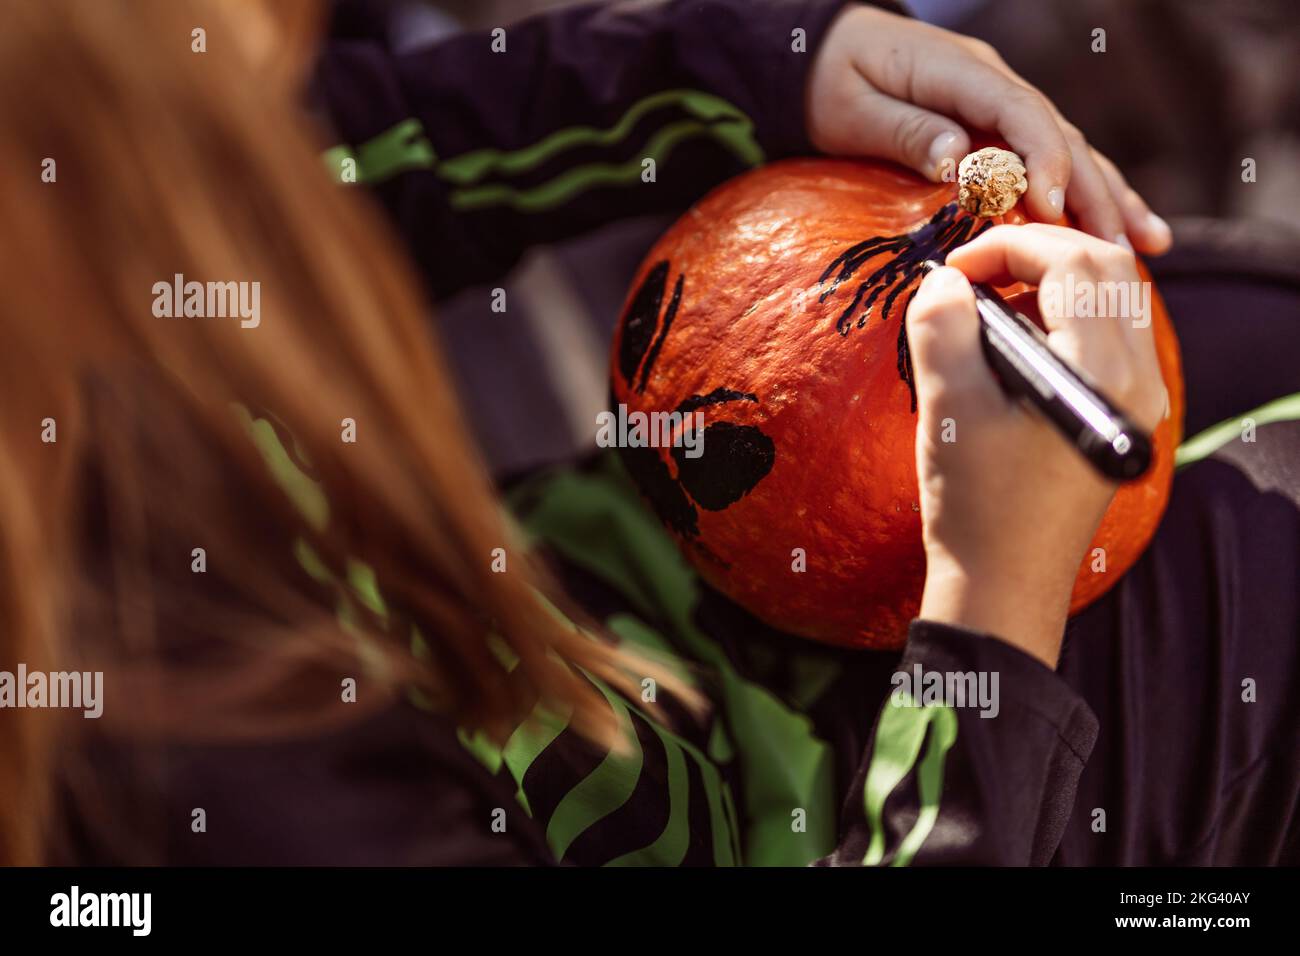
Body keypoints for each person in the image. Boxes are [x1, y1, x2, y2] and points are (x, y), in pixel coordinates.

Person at [0, 0, 1293, 868]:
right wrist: (992, 637)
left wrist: (755, 69)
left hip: (637, 613)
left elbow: (358, 149)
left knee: (1253, 333)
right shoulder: (218, 794)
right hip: (904, 793)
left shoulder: (99, 228)